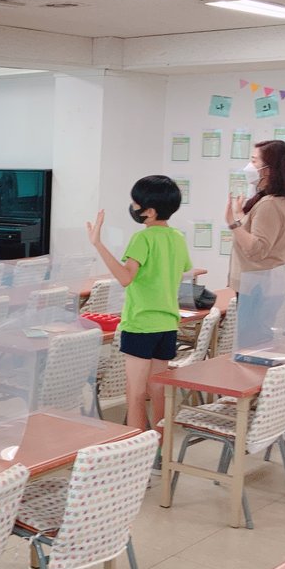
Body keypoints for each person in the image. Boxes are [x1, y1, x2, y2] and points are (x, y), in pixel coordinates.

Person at [87, 176, 191, 437]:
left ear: (150, 211)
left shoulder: (142, 239)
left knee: (135, 393)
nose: (133, 208)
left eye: (135, 204)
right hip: (167, 324)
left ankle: (137, 453)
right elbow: (180, 272)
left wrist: (98, 244)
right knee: (158, 390)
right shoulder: (177, 238)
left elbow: (125, 278)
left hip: (141, 324)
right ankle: (160, 448)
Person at [225, 139, 285, 293]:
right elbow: (254, 233)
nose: (249, 167)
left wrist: (232, 223)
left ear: (268, 169)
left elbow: (257, 249)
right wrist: (239, 214)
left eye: (254, 161)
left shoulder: (269, 204)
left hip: (257, 287)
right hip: (261, 285)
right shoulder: (276, 200)